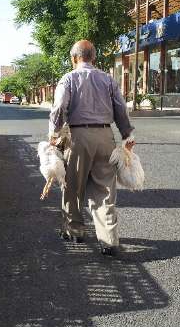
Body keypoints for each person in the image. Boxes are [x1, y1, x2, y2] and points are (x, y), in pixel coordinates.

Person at [49, 40, 135, 257]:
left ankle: (74, 230)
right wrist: (127, 134)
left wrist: (54, 132)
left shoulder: (69, 78)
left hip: (79, 137)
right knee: (105, 190)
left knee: (73, 186)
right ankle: (109, 240)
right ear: (93, 58)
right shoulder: (107, 79)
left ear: (74, 58)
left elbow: (59, 107)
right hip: (106, 137)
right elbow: (120, 109)